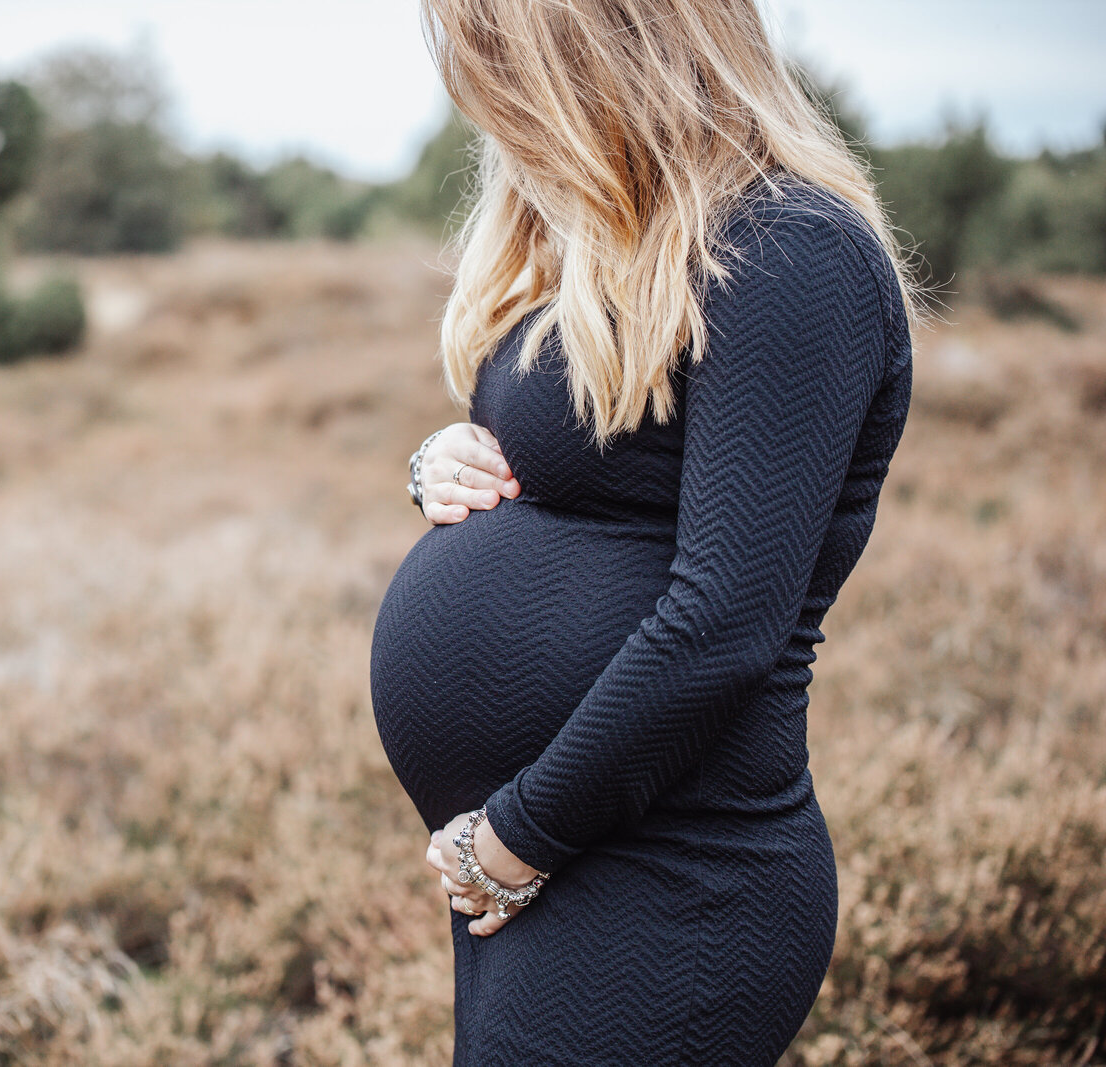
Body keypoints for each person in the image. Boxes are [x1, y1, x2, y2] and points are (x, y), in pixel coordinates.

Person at [367, 1, 925, 1063]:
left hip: (670, 871)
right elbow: (591, 463)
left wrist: (517, 837)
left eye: (505, 64)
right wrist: (443, 460)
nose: (489, 101)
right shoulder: (615, 249)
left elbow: (726, 620)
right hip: (555, 860)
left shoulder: (793, 254)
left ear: (608, 52)